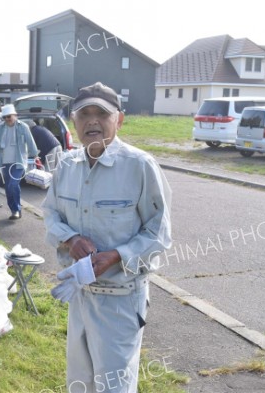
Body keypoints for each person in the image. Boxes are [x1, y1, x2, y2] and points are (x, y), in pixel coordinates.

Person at [42, 82, 172, 393]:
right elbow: (51, 214)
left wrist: (116, 255)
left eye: (102, 113)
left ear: (120, 119)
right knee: (80, 383)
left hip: (121, 299)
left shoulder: (139, 166)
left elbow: (159, 233)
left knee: (114, 386)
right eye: (84, 114)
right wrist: (71, 239)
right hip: (81, 296)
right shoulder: (67, 164)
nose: (92, 121)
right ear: (74, 121)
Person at [0, 104, 38, 220]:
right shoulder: (0, 128)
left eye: (9, 117)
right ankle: (13, 210)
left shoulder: (23, 127)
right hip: (5, 162)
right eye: (5, 117)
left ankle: (17, 209)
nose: (7, 119)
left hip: (19, 162)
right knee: (8, 187)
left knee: (13, 185)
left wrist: (35, 156)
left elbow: (31, 142)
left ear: (15, 115)